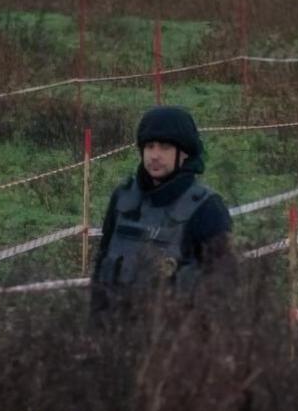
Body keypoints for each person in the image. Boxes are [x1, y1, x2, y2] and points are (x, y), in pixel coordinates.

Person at [89, 105, 234, 323]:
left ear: (184, 153)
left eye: (165, 147)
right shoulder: (122, 199)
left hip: (178, 347)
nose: (155, 155)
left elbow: (223, 285)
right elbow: (102, 268)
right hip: (115, 337)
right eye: (149, 146)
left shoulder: (206, 208)